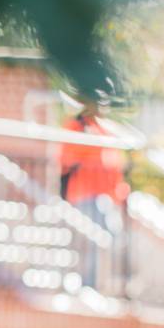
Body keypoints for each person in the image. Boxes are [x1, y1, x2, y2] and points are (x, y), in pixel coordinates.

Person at [58, 103, 129, 288]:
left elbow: (113, 162)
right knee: (91, 241)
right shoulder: (76, 126)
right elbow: (66, 159)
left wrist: (119, 192)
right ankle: (87, 285)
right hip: (83, 194)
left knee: (110, 239)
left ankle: (97, 284)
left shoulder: (103, 129)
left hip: (105, 197)